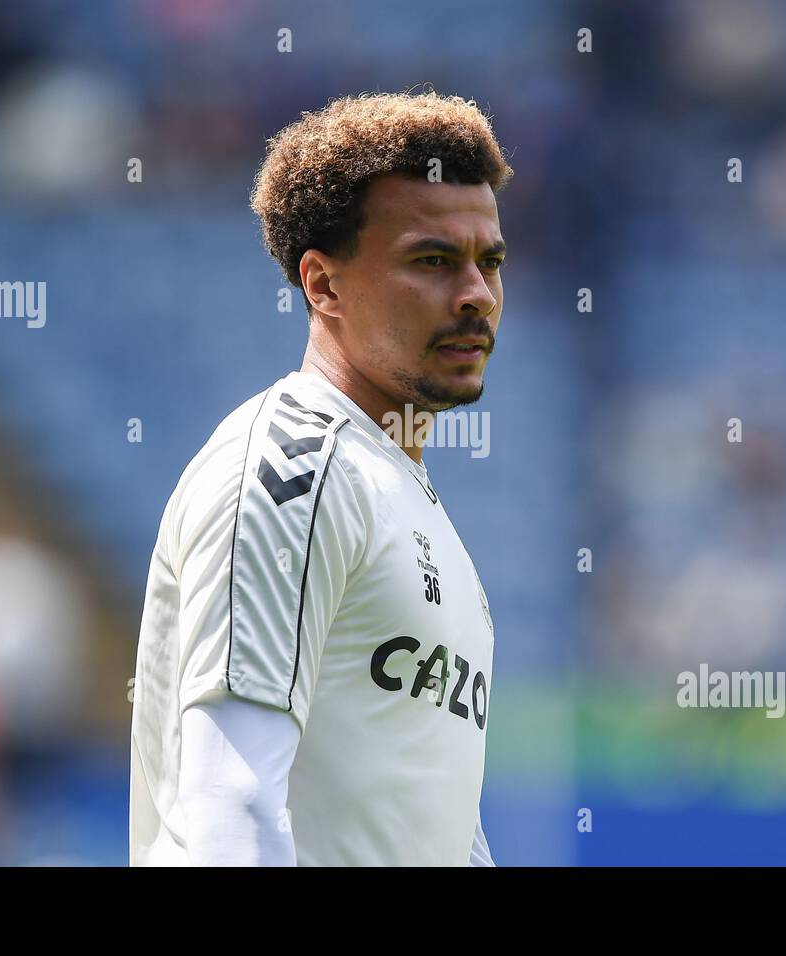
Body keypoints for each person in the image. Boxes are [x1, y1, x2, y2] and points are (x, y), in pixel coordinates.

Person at [130, 90, 513, 865]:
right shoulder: (292, 472)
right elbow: (229, 809)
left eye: (490, 262)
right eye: (434, 261)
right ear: (322, 285)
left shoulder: (411, 503)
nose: (476, 293)